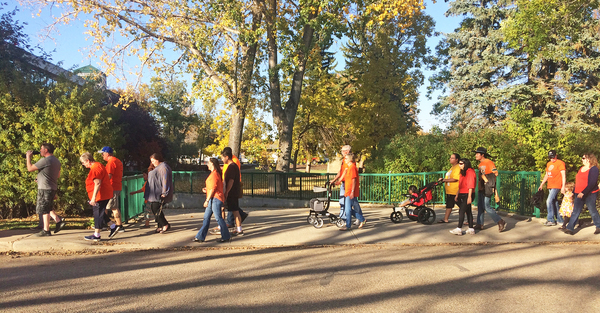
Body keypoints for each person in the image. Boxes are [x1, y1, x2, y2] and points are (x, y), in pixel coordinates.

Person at [25, 143, 66, 236]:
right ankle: (58, 220)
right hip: (52, 187)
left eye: (41, 149)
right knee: (48, 207)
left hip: (44, 188)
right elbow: (57, 175)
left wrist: (28, 157)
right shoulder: (56, 161)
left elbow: (30, 168)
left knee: (44, 209)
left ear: (46, 150)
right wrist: (42, 178)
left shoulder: (45, 160)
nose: (40, 151)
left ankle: (46, 230)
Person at [194, 158, 230, 243]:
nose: (207, 165)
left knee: (218, 218)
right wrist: (207, 189)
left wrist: (207, 200)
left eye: (208, 163)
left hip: (215, 199)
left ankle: (226, 236)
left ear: (212, 164)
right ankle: (200, 237)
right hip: (213, 198)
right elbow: (213, 188)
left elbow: (213, 189)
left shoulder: (214, 174)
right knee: (206, 218)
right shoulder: (214, 174)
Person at [563, 154, 600, 235]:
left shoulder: (594, 169)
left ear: (589, 159)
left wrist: (583, 192)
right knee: (576, 210)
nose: (582, 160)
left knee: (592, 210)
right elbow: (578, 182)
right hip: (578, 192)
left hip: (590, 193)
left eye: (583, 158)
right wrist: (573, 192)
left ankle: (598, 226)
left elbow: (592, 183)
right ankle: (570, 228)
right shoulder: (581, 168)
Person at [80, 152, 113, 241]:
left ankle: (97, 234)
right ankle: (113, 226)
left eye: (83, 163)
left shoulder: (95, 168)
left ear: (88, 161)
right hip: (103, 194)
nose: (83, 165)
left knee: (97, 213)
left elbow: (97, 183)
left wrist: (93, 198)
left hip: (100, 195)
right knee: (101, 212)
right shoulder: (98, 165)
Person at [473, 147, 506, 232]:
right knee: (480, 206)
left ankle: (500, 221)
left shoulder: (488, 162)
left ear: (482, 155)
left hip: (487, 187)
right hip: (481, 187)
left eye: (477, 153)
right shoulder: (480, 164)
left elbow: (496, 173)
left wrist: (488, 182)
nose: (476, 155)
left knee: (486, 206)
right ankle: (479, 224)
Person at [99, 146, 124, 237]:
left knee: (113, 207)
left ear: (107, 154)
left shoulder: (111, 162)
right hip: (116, 186)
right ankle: (104, 223)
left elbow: (108, 175)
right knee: (107, 206)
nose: (102, 156)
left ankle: (119, 225)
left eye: (102, 154)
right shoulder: (117, 161)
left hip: (111, 187)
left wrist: (102, 184)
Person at [538, 150, 566, 226]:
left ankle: (551, 220)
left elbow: (563, 175)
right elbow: (547, 175)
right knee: (554, 202)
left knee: (549, 201)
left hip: (556, 185)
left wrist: (563, 186)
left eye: (553, 157)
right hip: (550, 185)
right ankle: (560, 220)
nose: (552, 159)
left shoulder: (560, 163)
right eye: (550, 158)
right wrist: (542, 184)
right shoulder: (549, 164)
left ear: (556, 156)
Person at [147, 153, 173, 234]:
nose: (152, 163)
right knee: (155, 208)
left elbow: (165, 180)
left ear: (158, 160)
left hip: (160, 193)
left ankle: (165, 224)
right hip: (156, 192)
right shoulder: (160, 167)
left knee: (156, 208)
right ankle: (160, 225)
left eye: (153, 161)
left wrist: (164, 192)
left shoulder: (163, 168)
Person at [339, 153, 366, 231]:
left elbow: (353, 180)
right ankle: (361, 219)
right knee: (348, 209)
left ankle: (349, 225)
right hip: (348, 191)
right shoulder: (348, 167)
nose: (345, 160)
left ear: (350, 159)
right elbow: (345, 177)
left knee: (348, 209)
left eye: (346, 158)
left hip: (351, 191)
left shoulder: (352, 167)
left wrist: (352, 191)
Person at [450, 158, 477, 235]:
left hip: (468, 193)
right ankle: (471, 228)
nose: (459, 165)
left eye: (461, 163)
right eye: (459, 163)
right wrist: (457, 194)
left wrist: (469, 196)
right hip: (462, 193)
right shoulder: (463, 172)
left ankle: (459, 228)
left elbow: (471, 185)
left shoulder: (470, 172)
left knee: (462, 210)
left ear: (466, 164)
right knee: (468, 211)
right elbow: (460, 184)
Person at [222, 148, 244, 235]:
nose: (222, 159)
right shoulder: (234, 166)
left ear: (227, 157)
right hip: (233, 192)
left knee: (234, 210)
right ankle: (238, 229)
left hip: (232, 193)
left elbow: (231, 181)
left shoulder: (231, 167)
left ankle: (238, 229)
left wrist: (227, 191)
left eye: (223, 158)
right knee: (235, 210)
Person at [438, 153, 461, 223]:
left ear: (457, 160)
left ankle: (470, 219)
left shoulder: (458, 167)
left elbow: (455, 178)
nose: (450, 159)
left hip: (455, 190)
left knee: (462, 206)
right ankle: (445, 219)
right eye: (450, 158)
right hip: (449, 191)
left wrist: (444, 180)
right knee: (449, 205)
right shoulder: (452, 167)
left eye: (452, 158)